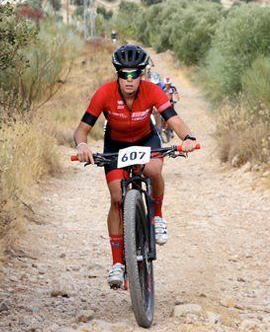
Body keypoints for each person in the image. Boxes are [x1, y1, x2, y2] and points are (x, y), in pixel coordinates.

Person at [73, 44, 198, 288]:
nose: (129, 80)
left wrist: (188, 139)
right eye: (124, 74)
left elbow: (173, 118)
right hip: (115, 145)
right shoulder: (104, 93)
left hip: (146, 140)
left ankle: (158, 217)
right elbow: (82, 130)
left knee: (152, 170)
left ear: (142, 74)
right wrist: (81, 146)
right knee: (117, 196)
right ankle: (118, 263)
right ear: (117, 74)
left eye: (135, 74)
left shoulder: (152, 91)